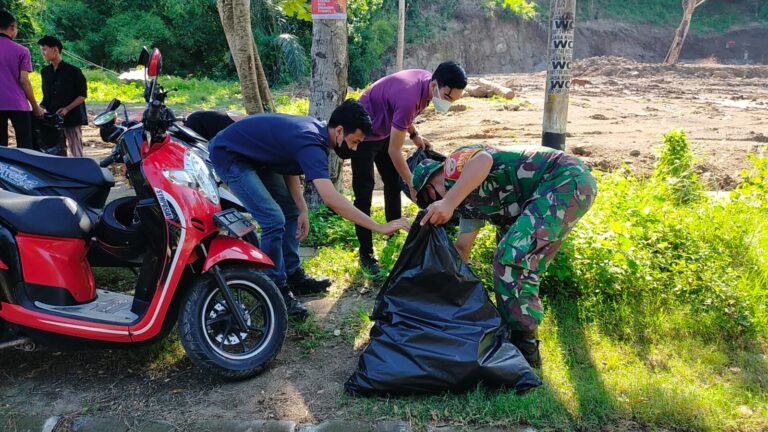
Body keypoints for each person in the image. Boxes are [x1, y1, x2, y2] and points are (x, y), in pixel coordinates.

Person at [209, 100, 410, 320]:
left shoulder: (316, 133)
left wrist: (302, 208)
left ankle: (293, 275)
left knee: (291, 214)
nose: (354, 149)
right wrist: (379, 226)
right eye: (354, 142)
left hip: (256, 157)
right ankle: (273, 289)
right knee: (273, 219)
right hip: (230, 155)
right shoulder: (312, 143)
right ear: (339, 131)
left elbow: (288, 163)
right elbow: (331, 199)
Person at [412, 144, 598, 367]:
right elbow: (462, 249)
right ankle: (515, 335)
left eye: (430, 198)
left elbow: (483, 159)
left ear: (431, 187)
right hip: (544, 194)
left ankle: (525, 348)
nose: (434, 203)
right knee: (507, 259)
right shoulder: (464, 201)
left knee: (511, 260)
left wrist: (448, 201)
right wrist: (447, 289)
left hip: (563, 180)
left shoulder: (452, 168)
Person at [337, 61, 467, 273]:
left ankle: (393, 230)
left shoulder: (427, 85)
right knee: (364, 192)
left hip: (384, 130)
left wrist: (414, 135)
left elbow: (402, 114)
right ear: (435, 85)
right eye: (447, 97)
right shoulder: (411, 95)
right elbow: (395, 151)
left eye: (453, 100)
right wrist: (413, 184)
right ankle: (366, 253)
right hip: (362, 135)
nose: (448, 103)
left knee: (392, 183)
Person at [38, 35, 88, 157]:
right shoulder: (45, 72)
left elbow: (82, 95)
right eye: (41, 50)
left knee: (76, 152)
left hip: (72, 117)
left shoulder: (74, 71)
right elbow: (46, 97)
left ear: (55, 50)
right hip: (53, 118)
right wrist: (40, 107)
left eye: (44, 50)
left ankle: (80, 169)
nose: (42, 53)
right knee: (56, 151)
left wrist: (67, 109)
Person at [0, 10, 42, 149]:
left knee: (1, 147)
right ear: (12, 27)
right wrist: (35, 107)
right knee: (25, 145)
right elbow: (24, 81)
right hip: (18, 104)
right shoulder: (22, 51)